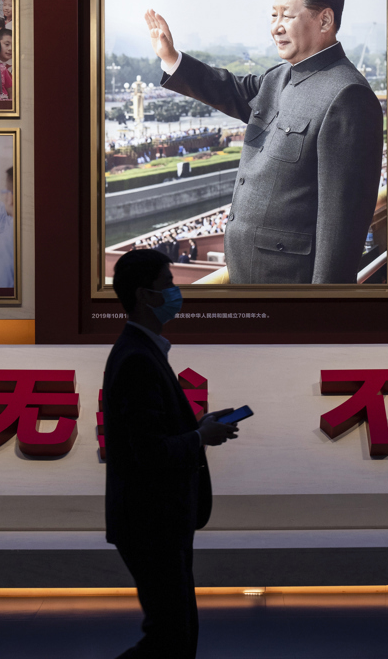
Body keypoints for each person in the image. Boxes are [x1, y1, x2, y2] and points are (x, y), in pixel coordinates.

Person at [148, 0, 383, 284]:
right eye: (273, 15)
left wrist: (326, 308)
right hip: (248, 276)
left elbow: (341, 224)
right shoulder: (279, 77)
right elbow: (228, 89)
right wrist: (172, 58)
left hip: (289, 285)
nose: (276, 27)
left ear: (325, 21)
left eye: (287, 16)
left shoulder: (347, 95)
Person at [104, 249, 240, 658]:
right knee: (170, 638)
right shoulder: (137, 360)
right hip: (152, 521)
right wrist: (201, 439)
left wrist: (197, 427)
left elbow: (150, 435)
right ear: (146, 295)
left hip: (158, 520)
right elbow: (149, 451)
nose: (176, 293)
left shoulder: (142, 352)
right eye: (169, 284)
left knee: (173, 632)